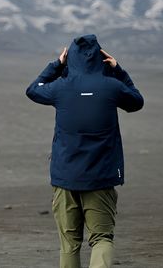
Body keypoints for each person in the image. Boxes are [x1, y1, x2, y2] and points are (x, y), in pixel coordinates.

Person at [25, 34, 144, 268]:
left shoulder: (60, 87)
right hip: (100, 178)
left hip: (65, 178)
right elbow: (136, 101)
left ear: (70, 58)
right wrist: (119, 70)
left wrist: (56, 66)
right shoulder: (112, 87)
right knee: (102, 239)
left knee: (69, 243)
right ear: (101, 59)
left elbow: (33, 89)